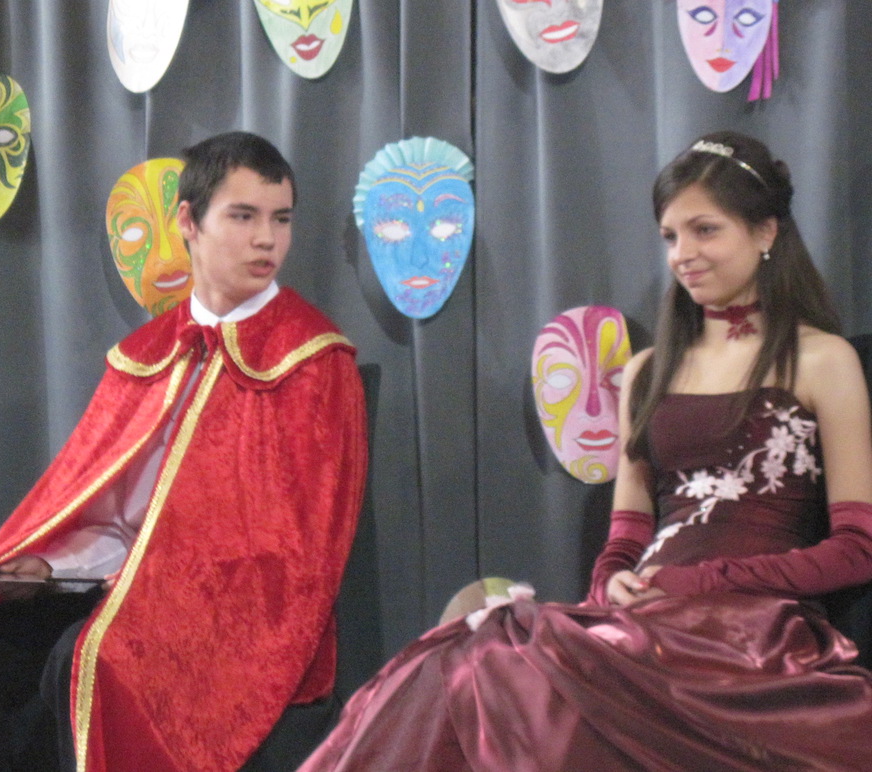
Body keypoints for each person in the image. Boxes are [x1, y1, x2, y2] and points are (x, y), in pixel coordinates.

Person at [297, 131, 872, 771]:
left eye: (705, 230)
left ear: (766, 232)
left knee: (501, 674)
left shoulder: (822, 360)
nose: (683, 255)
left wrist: (699, 581)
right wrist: (609, 583)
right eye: (670, 236)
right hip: (643, 621)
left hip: (749, 636)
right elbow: (626, 535)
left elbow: (857, 548)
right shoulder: (650, 370)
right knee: (458, 660)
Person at [0, 131, 368, 772]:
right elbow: (112, 520)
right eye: (243, 217)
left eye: (281, 219)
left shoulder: (313, 362)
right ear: (188, 222)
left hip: (234, 624)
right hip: (115, 597)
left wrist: (165, 587)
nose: (267, 239)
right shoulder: (145, 355)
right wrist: (46, 565)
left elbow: (301, 553)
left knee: (86, 660)